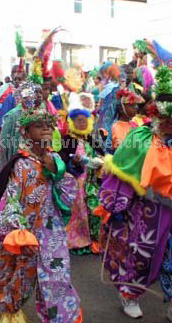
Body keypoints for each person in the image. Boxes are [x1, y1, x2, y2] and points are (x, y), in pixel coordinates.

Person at [98, 66, 172, 322]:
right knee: (140, 254)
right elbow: (121, 169)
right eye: (165, 118)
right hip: (145, 209)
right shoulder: (140, 137)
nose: (171, 124)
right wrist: (117, 207)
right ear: (155, 116)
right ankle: (130, 294)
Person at [0, 107, 82, 322]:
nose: (46, 130)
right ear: (26, 132)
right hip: (27, 232)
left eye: (49, 126)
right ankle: (11, 311)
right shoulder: (21, 164)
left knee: (57, 276)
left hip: (52, 231)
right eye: (39, 126)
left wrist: (58, 173)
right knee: (20, 275)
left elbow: (68, 195)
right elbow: (10, 199)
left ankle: (62, 317)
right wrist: (19, 232)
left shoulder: (54, 160)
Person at [59, 93, 104, 254]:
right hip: (76, 181)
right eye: (78, 120)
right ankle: (79, 240)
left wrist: (100, 160)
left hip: (92, 181)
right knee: (78, 211)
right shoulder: (68, 140)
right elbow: (62, 160)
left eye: (84, 120)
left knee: (95, 208)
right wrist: (73, 163)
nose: (82, 122)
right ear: (72, 122)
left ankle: (95, 239)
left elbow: (103, 154)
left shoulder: (91, 138)